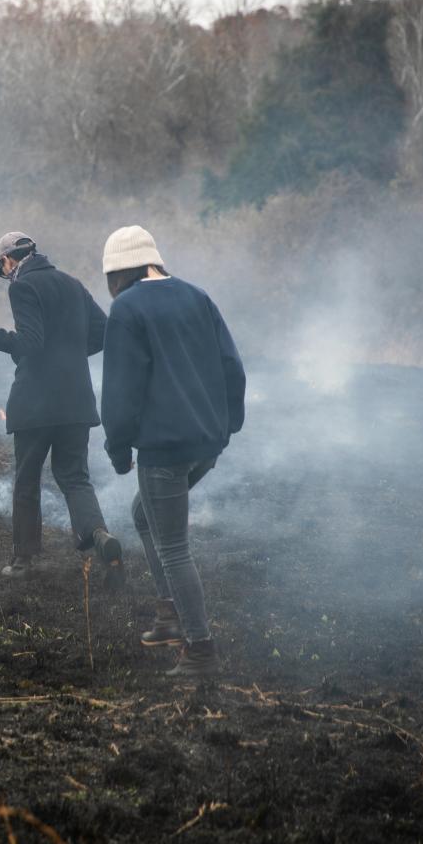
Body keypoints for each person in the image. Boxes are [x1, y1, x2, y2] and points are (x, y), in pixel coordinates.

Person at [100, 225, 245, 679]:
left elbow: (120, 390)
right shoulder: (197, 296)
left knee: (173, 546)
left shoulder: (127, 309)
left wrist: (118, 449)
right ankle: (168, 615)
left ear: (118, 272)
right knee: (146, 516)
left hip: (164, 448)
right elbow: (232, 367)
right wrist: (228, 424)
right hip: (206, 442)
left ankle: (198, 647)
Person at [0, 232, 125, 583]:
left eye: (4, 269)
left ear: (9, 261)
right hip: (76, 399)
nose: (7, 275)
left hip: (36, 401)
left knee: (27, 480)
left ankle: (23, 561)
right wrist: (67, 357)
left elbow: (30, 343)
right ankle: (98, 535)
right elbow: (104, 332)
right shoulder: (73, 284)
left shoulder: (21, 287)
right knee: (75, 477)